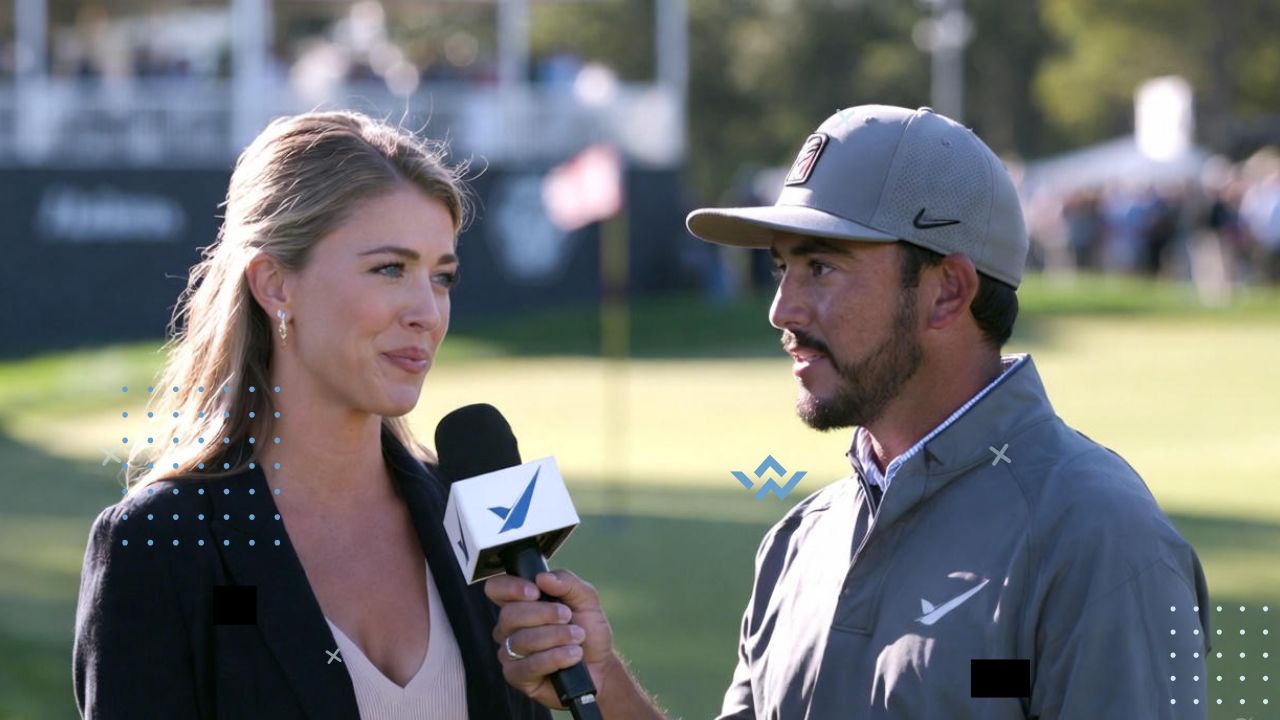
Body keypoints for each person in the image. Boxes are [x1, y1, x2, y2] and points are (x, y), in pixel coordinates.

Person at [484, 105, 1212, 719]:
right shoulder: (801, 540)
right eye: (781, 268)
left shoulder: (1098, 536)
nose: (781, 309)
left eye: (821, 267)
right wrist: (600, 680)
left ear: (948, 292)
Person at [73, 111, 551, 720]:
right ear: (275, 285)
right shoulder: (161, 542)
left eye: (443, 277)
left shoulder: (480, 510)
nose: (427, 312)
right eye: (389, 269)